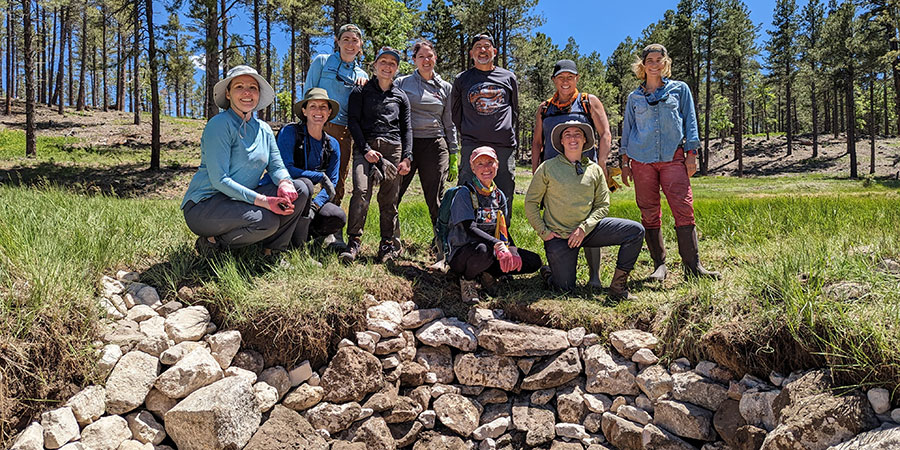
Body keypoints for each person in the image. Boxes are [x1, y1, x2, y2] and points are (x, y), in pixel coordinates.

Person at [182, 65, 309, 256]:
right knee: (266, 221)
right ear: (228, 94)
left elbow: (276, 166)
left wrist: (284, 182)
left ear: (258, 95)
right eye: (239, 86)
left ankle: (273, 251)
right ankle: (212, 244)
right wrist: (265, 201)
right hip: (206, 206)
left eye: (253, 87)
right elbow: (220, 180)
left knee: (301, 188)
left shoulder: (264, 129)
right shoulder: (219, 124)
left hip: (241, 200)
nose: (247, 92)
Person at [620, 44, 720, 281]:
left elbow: (691, 122)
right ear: (643, 65)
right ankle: (659, 266)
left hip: (673, 157)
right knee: (648, 210)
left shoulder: (680, 89)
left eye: (659, 59)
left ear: (665, 63)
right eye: (649, 60)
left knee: (683, 208)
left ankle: (693, 267)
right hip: (641, 159)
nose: (654, 64)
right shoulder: (634, 97)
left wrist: (692, 153)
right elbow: (628, 129)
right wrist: (624, 162)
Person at [525, 121, 644, 298]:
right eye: (568, 135)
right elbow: (531, 203)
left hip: (589, 231)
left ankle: (618, 288)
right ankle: (550, 274)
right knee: (564, 291)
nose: (573, 138)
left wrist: (584, 227)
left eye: (577, 134)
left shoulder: (594, 170)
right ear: (562, 142)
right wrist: (544, 232)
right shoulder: (547, 168)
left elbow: (603, 205)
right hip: (559, 235)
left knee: (635, 231)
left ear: (585, 140)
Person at [530, 59, 613, 288]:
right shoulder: (545, 108)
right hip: (552, 175)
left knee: (589, 220)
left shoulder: (588, 102)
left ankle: (595, 276)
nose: (565, 82)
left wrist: (603, 163)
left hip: (584, 171)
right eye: (560, 78)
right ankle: (559, 269)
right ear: (554, 80)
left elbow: (605, 133)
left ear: (577, 78)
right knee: (556, 220)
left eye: (570, 77)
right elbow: (537, 143)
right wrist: (536, 170)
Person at [342, 46, 412, 264]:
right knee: (361, 192)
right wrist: (366, 150)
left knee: (389, 198)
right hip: (366, 147)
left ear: (397, 69)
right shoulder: (360, 91)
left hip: (393, 149)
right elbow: (352, 122)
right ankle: (353, 241)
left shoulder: (401, 96)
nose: (387, 66)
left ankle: (387, 244)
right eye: (383, 61)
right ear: (374, 65)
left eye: (392, 63)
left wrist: (407, 157)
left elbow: (407, 129)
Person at [448, 146, 542, 303]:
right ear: (472, 168)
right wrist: (498, 244)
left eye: (490, 162)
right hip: (463, 254)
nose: (486, 168)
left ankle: (487, 274)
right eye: (480, 164)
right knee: (483, 250)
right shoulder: (465, 193)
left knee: (533, 261)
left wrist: (511, 248)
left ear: (497, 165)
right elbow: (469, 228)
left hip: (491, 250)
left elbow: (502, 227)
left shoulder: (499, 195)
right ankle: (467, 280)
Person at [304, 23, 369, 247]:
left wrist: (364, 86)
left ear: (360, 46)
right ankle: (300, 226)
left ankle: (329, 229)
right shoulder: (322, 61)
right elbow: (308, 92)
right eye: (346, 39)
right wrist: (307, 124)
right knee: (308, 176)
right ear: (337, 41)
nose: (350, 44)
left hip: (343, 133)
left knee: (337, 180)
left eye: (355, 40)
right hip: (317, 125)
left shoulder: (362, 74)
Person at [395, 39, 459, 259]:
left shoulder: (445, 87)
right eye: (421, 56)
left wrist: (453, 152)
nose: (426, 60)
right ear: (414, 60)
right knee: (395, 193)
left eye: (429, 56)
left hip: (435, 144)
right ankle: (392, 242)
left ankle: (441, 246)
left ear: (435, 58)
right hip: (407, 145)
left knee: (436, 199)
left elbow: (449, 122)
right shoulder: (402, 83)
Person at [260, 88, 346, 246]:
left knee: (336, 216)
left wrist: (316, 204)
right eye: (313, 106)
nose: (318, 111)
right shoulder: (290, 132)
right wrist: (319, 176)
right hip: (277, 191)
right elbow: (285, 169)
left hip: (305, 198)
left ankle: (299, 240)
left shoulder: (332, 145)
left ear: (329, 112)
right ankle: (275, 243)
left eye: (323, 107)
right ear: (304, 111)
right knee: (305, 186)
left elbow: (332, 182)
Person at [450, 32, 519, 208]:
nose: (482, 50)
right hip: (472, 143)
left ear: (494, 51)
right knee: (466, 189)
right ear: (472, 53)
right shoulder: (462, 79)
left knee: (505, 190)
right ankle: (465, 231)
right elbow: (456, 112)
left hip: (503, 145)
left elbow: (514, 110)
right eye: (478, 47)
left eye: (487, 46)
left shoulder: (508, 78)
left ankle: (502, 233)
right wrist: (470, 130)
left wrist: (502, 130)